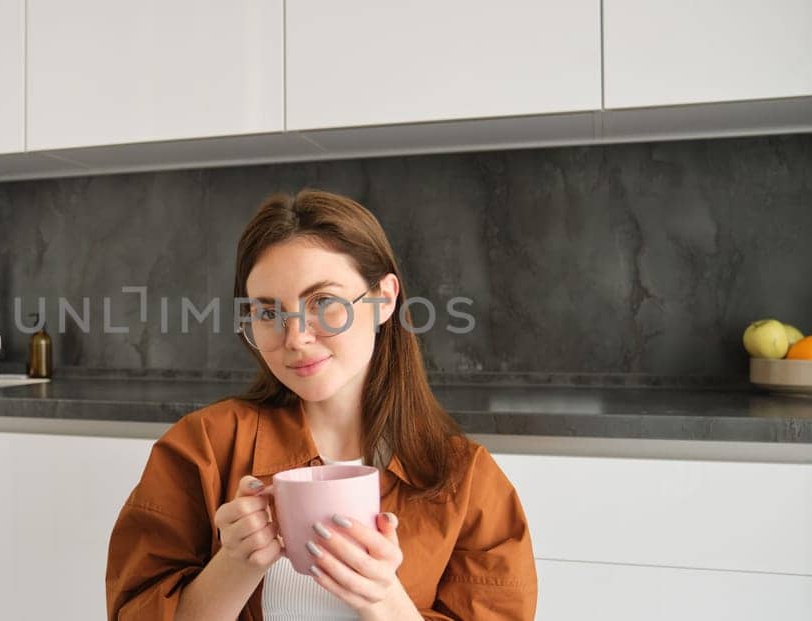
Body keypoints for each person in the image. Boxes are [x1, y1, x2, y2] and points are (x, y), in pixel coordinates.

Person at [106, 189, 536, 620]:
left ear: (384, 299)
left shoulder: (468, 482)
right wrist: (235, 564)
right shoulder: (201, 448)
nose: (295, 338)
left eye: (324, 302)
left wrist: (382, 600)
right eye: (269, 313)